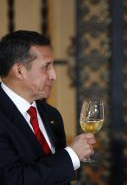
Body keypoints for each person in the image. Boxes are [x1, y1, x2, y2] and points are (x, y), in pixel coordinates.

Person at [0, 30, 96, 185]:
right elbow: (13, 179)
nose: (54, 75)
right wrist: (71, 155)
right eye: (46, 66)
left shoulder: (51, 114)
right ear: (19, 71)